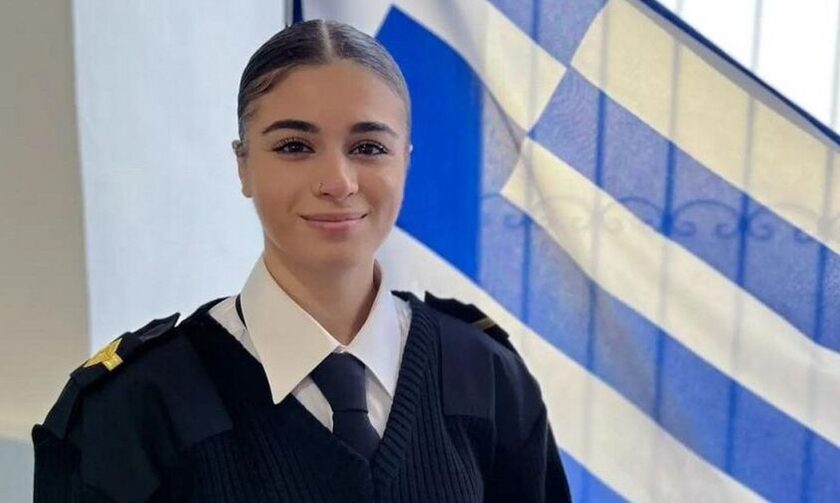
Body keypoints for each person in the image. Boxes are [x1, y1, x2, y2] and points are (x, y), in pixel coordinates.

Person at [31, 19, 571, 502]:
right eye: (294, 146)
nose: (337, 182)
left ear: (405, 162)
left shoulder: (487, 378)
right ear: (243, 165)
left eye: (368, 147)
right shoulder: (131, 407)